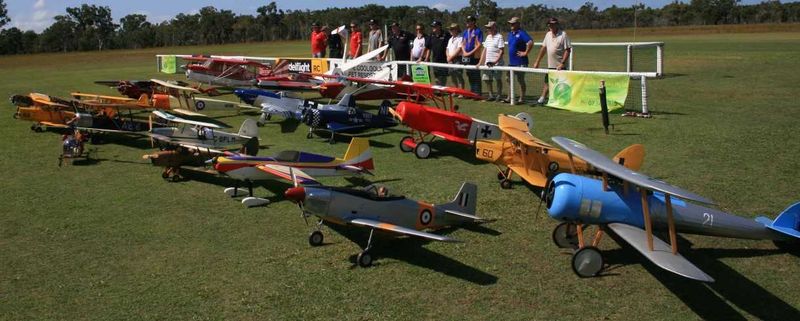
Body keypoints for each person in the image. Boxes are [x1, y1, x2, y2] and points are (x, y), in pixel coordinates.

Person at [533, 17, 571, 105]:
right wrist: (537, 61)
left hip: (561, 66)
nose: (552, 26)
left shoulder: (563, 35)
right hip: (551, 65)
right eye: (550, 24)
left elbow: (568, 50)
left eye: (554, 24)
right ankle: (541, 100)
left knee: (562, 84)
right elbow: (543, 48)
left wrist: (562, 63)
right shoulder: (547, 34)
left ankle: (562, 102)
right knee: (547, 82)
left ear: (557, 24)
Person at [507, 16, 533, 104]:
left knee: (520, 80)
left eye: (513, 23)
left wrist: (525, 53)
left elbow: (530, 42)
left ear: (518, 24)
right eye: (510, 23)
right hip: (512, 62)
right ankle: (510, 97)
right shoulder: (510, 34)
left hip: (521, 62)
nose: (511, 25)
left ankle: (522, 97)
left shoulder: (522, 33)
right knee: (508, 78)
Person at [478, 21, 504, 101]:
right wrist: (480, 62)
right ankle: (491, 95)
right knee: (486, 79)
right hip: (487, 63)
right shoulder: (488, 37)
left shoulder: (499, 37)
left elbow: (502, 51)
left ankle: (499, 95)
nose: (488, 29)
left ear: (495, 27)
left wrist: (495, 62)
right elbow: (484, 50)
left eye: (490, 27)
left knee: (498, 79)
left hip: (497, 64)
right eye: (487, 27)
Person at [461, 15, 483, 96]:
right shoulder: (465, 32)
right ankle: (472, 92)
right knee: (469, 74)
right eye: (466, 21)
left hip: (474, 56)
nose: (467, 22)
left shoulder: (478, 31)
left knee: (475, 74)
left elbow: (479, 45)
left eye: (469, 21)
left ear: (473, 22)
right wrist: (464, 52)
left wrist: (469, 53)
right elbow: (462, 43)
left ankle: (477, 93)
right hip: (466, 56)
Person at [424, 20, 451, 86]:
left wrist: (450, 57)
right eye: (432, 26)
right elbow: (428, 47)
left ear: (439, 27)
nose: (433, 28)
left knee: (443, 76)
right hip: (435, 59)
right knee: (436, 76)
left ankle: (442, 89)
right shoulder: (431, 35)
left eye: (435, 26)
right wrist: (426, 58)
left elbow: (451, 45)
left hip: (444, 59)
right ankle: (438, 89)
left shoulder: (446, 34)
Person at [446, 23, 466, 91]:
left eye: (451, 29)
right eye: (449, 29)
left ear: (456, 30)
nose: (450, 30)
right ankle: (455, 90)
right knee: (452, 76)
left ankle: (461, 92)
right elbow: (447, 49)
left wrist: (450, 58)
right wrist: (448, 57)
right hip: (450, 60)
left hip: (458, 59)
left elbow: (459, 49)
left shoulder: (460, 38)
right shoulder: (450, 39)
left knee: (459, 75)